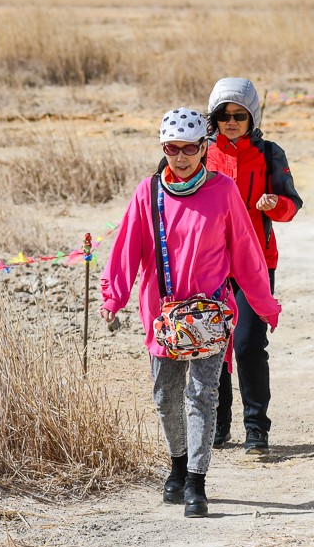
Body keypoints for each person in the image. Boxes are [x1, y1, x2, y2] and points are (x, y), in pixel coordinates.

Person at [101, 108, 281, 518]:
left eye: (188, 149)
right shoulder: (148, 193)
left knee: (202, 396)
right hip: (162, 318)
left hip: (211, 318)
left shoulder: (224, 191)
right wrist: (114, 298)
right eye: (171, 149)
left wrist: (264, 305)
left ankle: (197, 482)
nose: (180, 157)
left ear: (204, 148)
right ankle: (177, 466)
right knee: (165, 397)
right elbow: (126, 250)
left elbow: (247, 255)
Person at [204, 78, 302, 454]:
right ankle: (218, 423)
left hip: (256, 263)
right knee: (213, 346)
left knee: (247, 344)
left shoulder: (270, 153)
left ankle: (256, 429)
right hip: (208, 265)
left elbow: (292, 204)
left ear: (252, 116)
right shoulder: (201, 152)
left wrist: (273, 204)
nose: (231, 122)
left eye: (239, 115)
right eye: (223, 115)